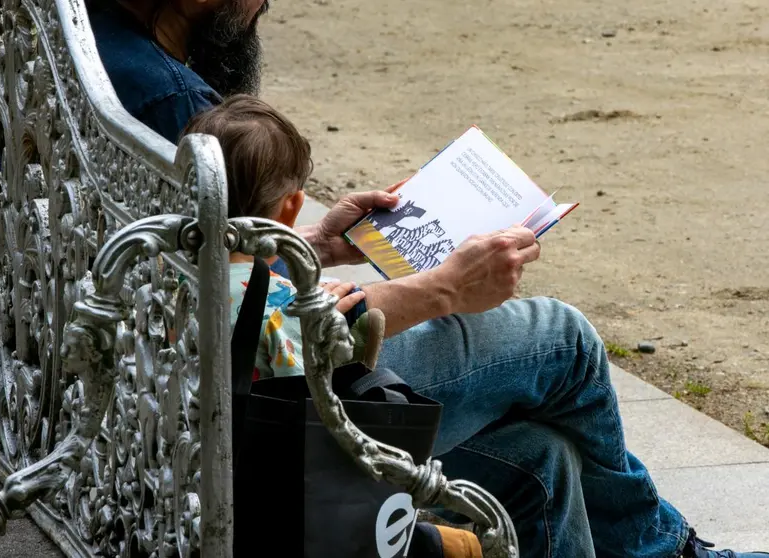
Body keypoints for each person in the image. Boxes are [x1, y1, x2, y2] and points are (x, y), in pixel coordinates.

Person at [88, 1, 769, 556]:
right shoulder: (171, 98)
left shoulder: (117, 75)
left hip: (161, 433)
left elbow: (228, 279)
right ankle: (659, 550)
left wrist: (315, 248)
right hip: (262, 453)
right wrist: (442, 288)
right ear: (289, 207)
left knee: (541, 457)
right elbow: (304, 341)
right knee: (564, 340)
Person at [188, 94, 483, 558]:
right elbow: (314, 408)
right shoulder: (284, 309)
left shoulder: (156, 272)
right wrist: (333, 328)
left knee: (543, 450)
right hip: (259, 502)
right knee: (464, 543)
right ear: (292, 209)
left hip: (167, 477)